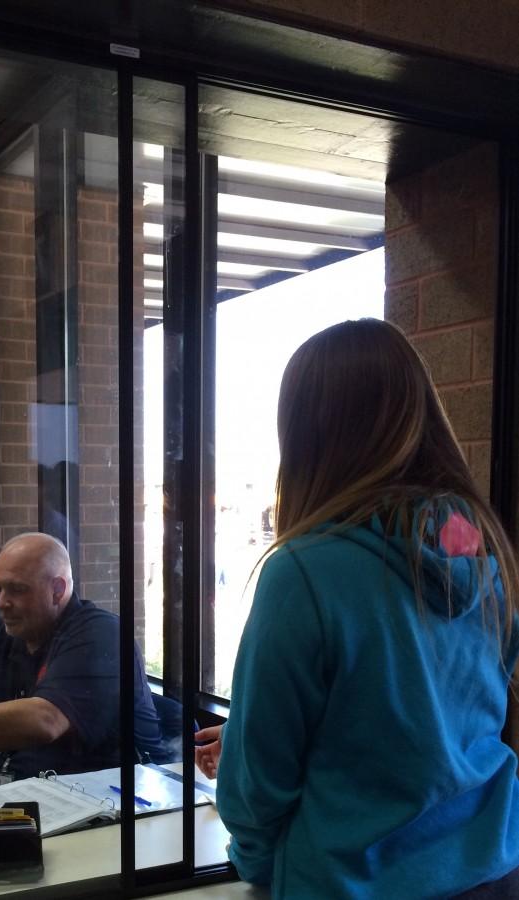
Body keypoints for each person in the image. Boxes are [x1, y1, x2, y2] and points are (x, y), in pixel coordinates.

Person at [195, 319, 519, 898]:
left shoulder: (304, 571)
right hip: (495, 867)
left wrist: (268, 865)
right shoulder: (486, 552)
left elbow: (252, 797)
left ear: (304, 436)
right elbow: (443, 721)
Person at [0, 531, 162, 786]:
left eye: (17, 590)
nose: (1, 602)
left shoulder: (101, 635)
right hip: (12, 807)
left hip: (105, 812)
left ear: (58, 590)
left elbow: (45, 720)